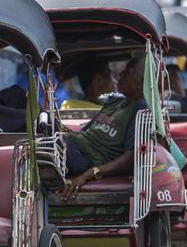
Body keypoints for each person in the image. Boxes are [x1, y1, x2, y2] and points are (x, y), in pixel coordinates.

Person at [60, 53, 148, 199]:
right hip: (72, 146)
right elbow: (85, 132)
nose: (121, 74)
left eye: (129, 71)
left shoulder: (139, 107)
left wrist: (88, 174)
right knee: (16, 96)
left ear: (140, 83)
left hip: (84, 157)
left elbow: (130, 158)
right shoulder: (115, 102)